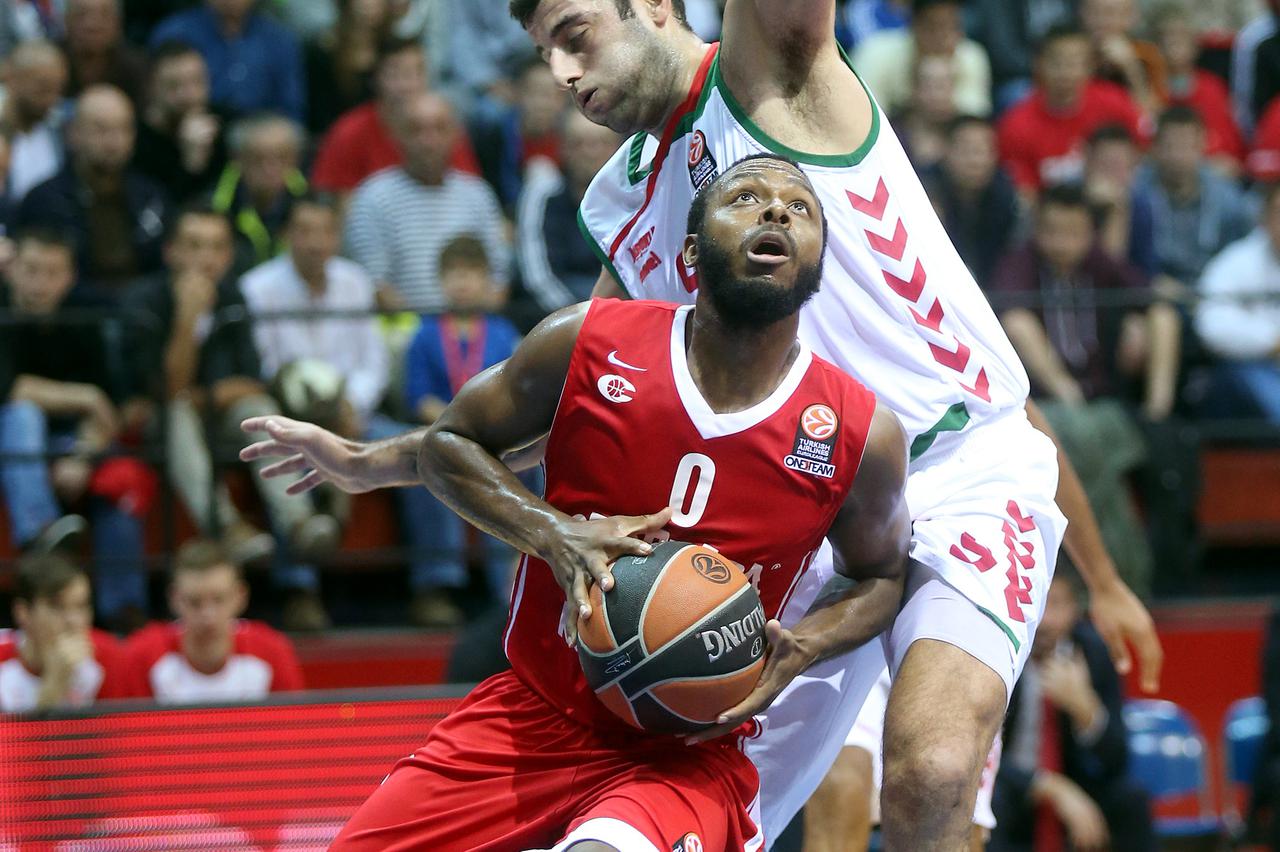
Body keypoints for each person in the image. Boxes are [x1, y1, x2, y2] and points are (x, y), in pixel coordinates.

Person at [524, 1, 1159, 846]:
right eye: (545, 55)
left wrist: (1106, 582)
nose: (564, 73)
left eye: (575, 35)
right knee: (721, 809)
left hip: (957, 475)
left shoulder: (767, 77)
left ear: (653, 6)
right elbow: (571, 387)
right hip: (808, 521)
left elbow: (1031, 419)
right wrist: (406, 458)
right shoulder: (620, 200)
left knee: (931, 773)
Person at [248, 152, 913, 852]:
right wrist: (553, 534)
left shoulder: (858, 433)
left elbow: (882, 575)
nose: (776, 209)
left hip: (682, 757)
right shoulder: (590, 340)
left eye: (799, 207)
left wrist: (805, 643)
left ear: (816, 263)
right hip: (533, 712)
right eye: (745, 197)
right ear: (691, 251)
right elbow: (453, 445)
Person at [992, 183, 1176, 596]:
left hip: (1105, 398)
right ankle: (1116, 575)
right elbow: (1009, 317)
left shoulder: (1099, 263)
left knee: (1162, 315)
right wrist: (1063, 388)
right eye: (1052, 231)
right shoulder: (1020, 264)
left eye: (1073, 232)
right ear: (1037, 231)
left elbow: (1149, 295)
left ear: (1089, 234)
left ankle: (1157, 410)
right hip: (1040, 403)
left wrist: (1137, 322)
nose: (1062, 243)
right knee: (1081, 438)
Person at [241, 193, 395, 630]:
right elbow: (267, 366)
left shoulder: (355, 281)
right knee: (287, 447)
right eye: (304, 231)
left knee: (434, 444)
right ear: (287, 235)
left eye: (325, 231)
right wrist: (314, 413)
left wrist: (352, 404)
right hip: (290, 409)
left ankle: (436, 583)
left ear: (337, 235)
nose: (315, 242)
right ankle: (300, 590)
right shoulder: (259, 287)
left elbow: (374, 362)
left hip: (354, 409)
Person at [0, 228, 150, 628]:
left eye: (52, 273)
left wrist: (83, 454)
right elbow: (10, 389)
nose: (39, 284)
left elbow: (113, 409)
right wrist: (84, 396)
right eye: (31, 270)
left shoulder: (84, 317)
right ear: (11, 270)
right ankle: (41, 536)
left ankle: (123, 611)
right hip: (10, 444)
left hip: (72, 442)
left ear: (69, 277)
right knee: (23, 414)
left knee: (120, 482)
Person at [122, 203, 285, 568]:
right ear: (170, 252)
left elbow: (252, 384)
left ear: (228, 256)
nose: (205, 259)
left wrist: (197, 396)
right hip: (159, 431)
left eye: (215, 247)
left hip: (217, 418)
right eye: (194, 246)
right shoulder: (143, 301)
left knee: (258, 411)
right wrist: (186, 318)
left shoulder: (234, 297)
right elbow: (163, 391)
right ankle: (226, 527)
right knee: (176, 413)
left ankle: (299, 521)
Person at [987, 566, 1157, 852]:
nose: (1046, 620)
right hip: (1013, 789)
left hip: (1079, 786)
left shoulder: (1094, 652)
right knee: (992, 803)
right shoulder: (996, 649)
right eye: (1039, 602)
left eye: (1057, 604)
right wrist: (1048, 787)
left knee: (1131, 799)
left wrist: (1086, 710)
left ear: (1076, 610)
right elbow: (978, 754)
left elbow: (1117, 760)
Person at [402, 235, 523, 625]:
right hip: (444, 431)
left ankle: (510, 584)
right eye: (454, 274)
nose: (463, 284)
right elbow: (418, 397)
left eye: (471, 274)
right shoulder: (423, 333)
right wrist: (459, 421)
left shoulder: (503, 331)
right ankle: (439, 584)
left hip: (502, 434)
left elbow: (520, 388)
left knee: (529, 470)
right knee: (432, 467)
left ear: (488, 281)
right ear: (440, 281)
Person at [343, 92, 509, 311]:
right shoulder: (373, 197)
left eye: (439, 129)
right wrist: (428, 333)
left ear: (455, 134)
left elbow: (498, 279)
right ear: (396, 136)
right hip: (402, 333)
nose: (429, 141)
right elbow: (374, 285)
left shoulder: (478, 194)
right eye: (416, 130)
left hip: (473, 329)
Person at [14, 84, 170, 298]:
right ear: (73, 132)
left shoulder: (152, 197)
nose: (113, 141)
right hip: (72, 320)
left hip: (143, 317)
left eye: (123, 129)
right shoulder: (44, 200)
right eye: (101, 129)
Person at [121, 538, 305, 703]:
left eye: (219, 600)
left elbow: (295, 732)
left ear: (240, 596)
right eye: (195, 602)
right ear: (174, 599)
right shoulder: (143, 655)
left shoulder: (272, 652)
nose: (208, 615)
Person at [309, 36, 481, 198]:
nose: (407, 86)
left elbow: (469, 193)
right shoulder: (349, 131)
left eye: (416, 73)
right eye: (395, 74)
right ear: (375, 79)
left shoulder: (444, 127)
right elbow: (341, 208)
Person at [998, 25, 1146, 198]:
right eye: (1056, 62)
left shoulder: (1115, 103)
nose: (1065, 72)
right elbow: (1025, 195)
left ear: (1091, 66)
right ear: (1038, 64)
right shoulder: (1016, 124)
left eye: (1074, 62)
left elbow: (1145, 148)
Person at [513, 108, 622, 324]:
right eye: (579, 143)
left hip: (621, 311)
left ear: (618, 147)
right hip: (560, 313)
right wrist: (581, 320)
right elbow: (538, 277)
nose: (590, 152)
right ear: (563, 149)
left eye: (600, 143)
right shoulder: (543, 193)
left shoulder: (636, 194)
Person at [1133, 106, 1254, 290]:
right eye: (1169, 146)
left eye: (1186, 146)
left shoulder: (1228, 198)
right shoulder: (1136, 193)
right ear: (1155, 148)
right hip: (1154, 290)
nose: (1177, 156)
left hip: (1215, 291)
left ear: (1202, 145)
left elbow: (1241, 254)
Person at [1192, 182, 1280, 425]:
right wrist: (1272, 341)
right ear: (1264, 217)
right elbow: (1211, 324)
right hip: (1255, 366)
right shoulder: (1237, 260)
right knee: (1239, 375)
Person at [0, 553, 128, 712]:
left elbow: (119, 734)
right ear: (23, 612)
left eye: (82, 606)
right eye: (58, 607)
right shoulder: (3, 659)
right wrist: (53, 685)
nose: (74, 621)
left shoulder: (108, 655)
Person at [148, 0, 305, 122]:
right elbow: (156, 107)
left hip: (259, 144)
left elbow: (291, 111)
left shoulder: (280, 39)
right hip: (192, 134)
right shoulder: (175, 33)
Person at [920, 115, 1022, 287]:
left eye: (982, 151)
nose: (975, 161)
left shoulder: (1005, 195)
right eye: (966, 150)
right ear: (945, 150)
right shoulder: (921, 189)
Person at [852, 0, 991, 118]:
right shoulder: (875, 52)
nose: (941, 37)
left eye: (950, 27)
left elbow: (973, 122)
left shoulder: (972, 56)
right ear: (913, 26)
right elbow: (863, 117)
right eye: (932, 27)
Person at [1150, 3, 1244, 174]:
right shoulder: (1147, 87)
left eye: (1181, 37)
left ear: (1195, 46)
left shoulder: (1212, 87)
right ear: (1155, 45)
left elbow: (1229, 151)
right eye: (1167, 38)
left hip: (1208, 172)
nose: (1174, 44)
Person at [133, 41, 229, 204]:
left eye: (197, 82)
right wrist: (192, 163)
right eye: (174, 86)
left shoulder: (225, 122)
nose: (189, 95)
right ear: (152, 87)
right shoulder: (136, 141)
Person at [212, 113, 308, 273]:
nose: (270, 168)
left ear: (296, 159)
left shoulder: (311, 206)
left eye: (282, 157)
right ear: (237, 159)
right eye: (258, 158)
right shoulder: (215, 209)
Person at [1, 40, 70, 203]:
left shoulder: (58, 131)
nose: (51, 99)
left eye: (58, 89)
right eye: (43, 88)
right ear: (12, 79)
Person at [61, 0, 147, 104]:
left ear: (118, 22)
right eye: (81, 15)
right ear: (66, 21)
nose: (92, 25)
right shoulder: (52, 61)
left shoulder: (136, 66)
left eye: (104, 15)